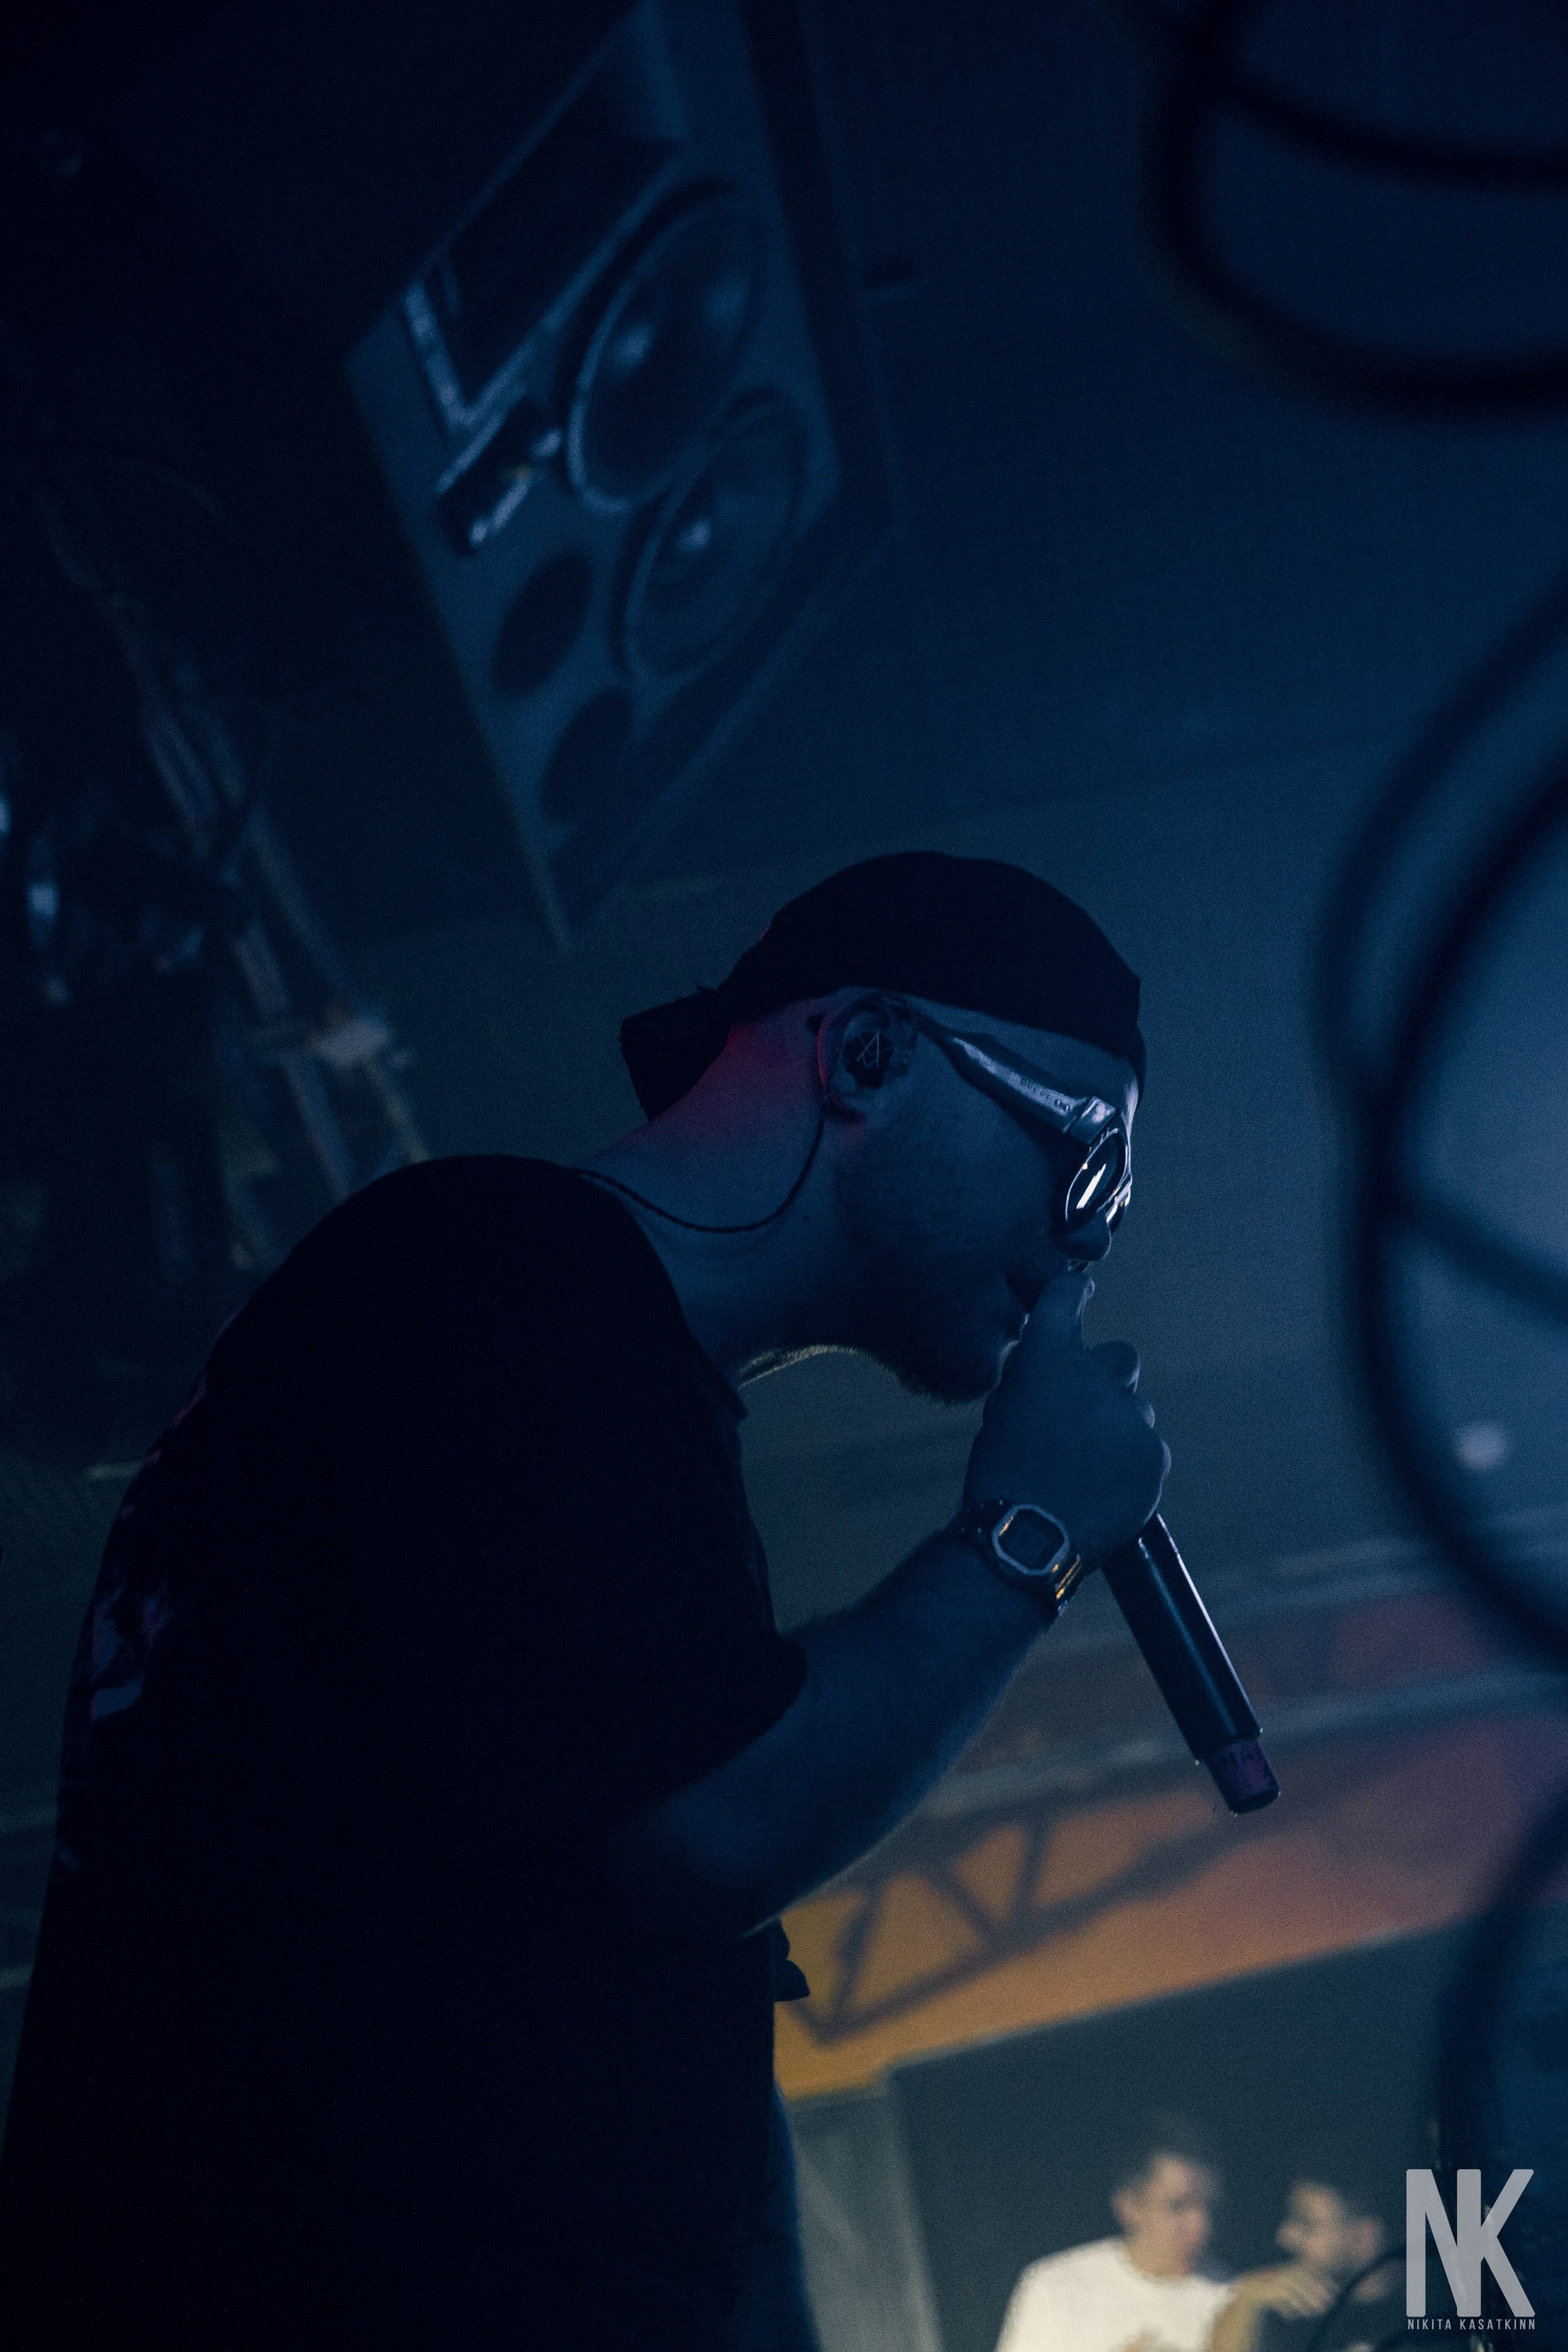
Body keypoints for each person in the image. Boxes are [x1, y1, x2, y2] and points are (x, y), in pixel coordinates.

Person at [0, 852, 1168, 2350]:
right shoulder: (496, 1280)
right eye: (1084, 1159)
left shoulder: (596, 1374)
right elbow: (706, 1832)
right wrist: (1024, 1536)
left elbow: (659, 1993)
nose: (1088, 1235)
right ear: (868, 1053)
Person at [995, 2112, 1230, 2352]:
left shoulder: (1231, 2299)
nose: (1201, 2224)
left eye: (1208, 2206)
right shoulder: (1056, 2287)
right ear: (1129, 2206)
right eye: (1178, 2206)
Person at [1206, 2149, 1401, 2352]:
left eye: (1306, 2224)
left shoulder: (1414, 2327)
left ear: (1363, 2238)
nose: (1285, 2237)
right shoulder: (1286, 2318)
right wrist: (1244, 2305)